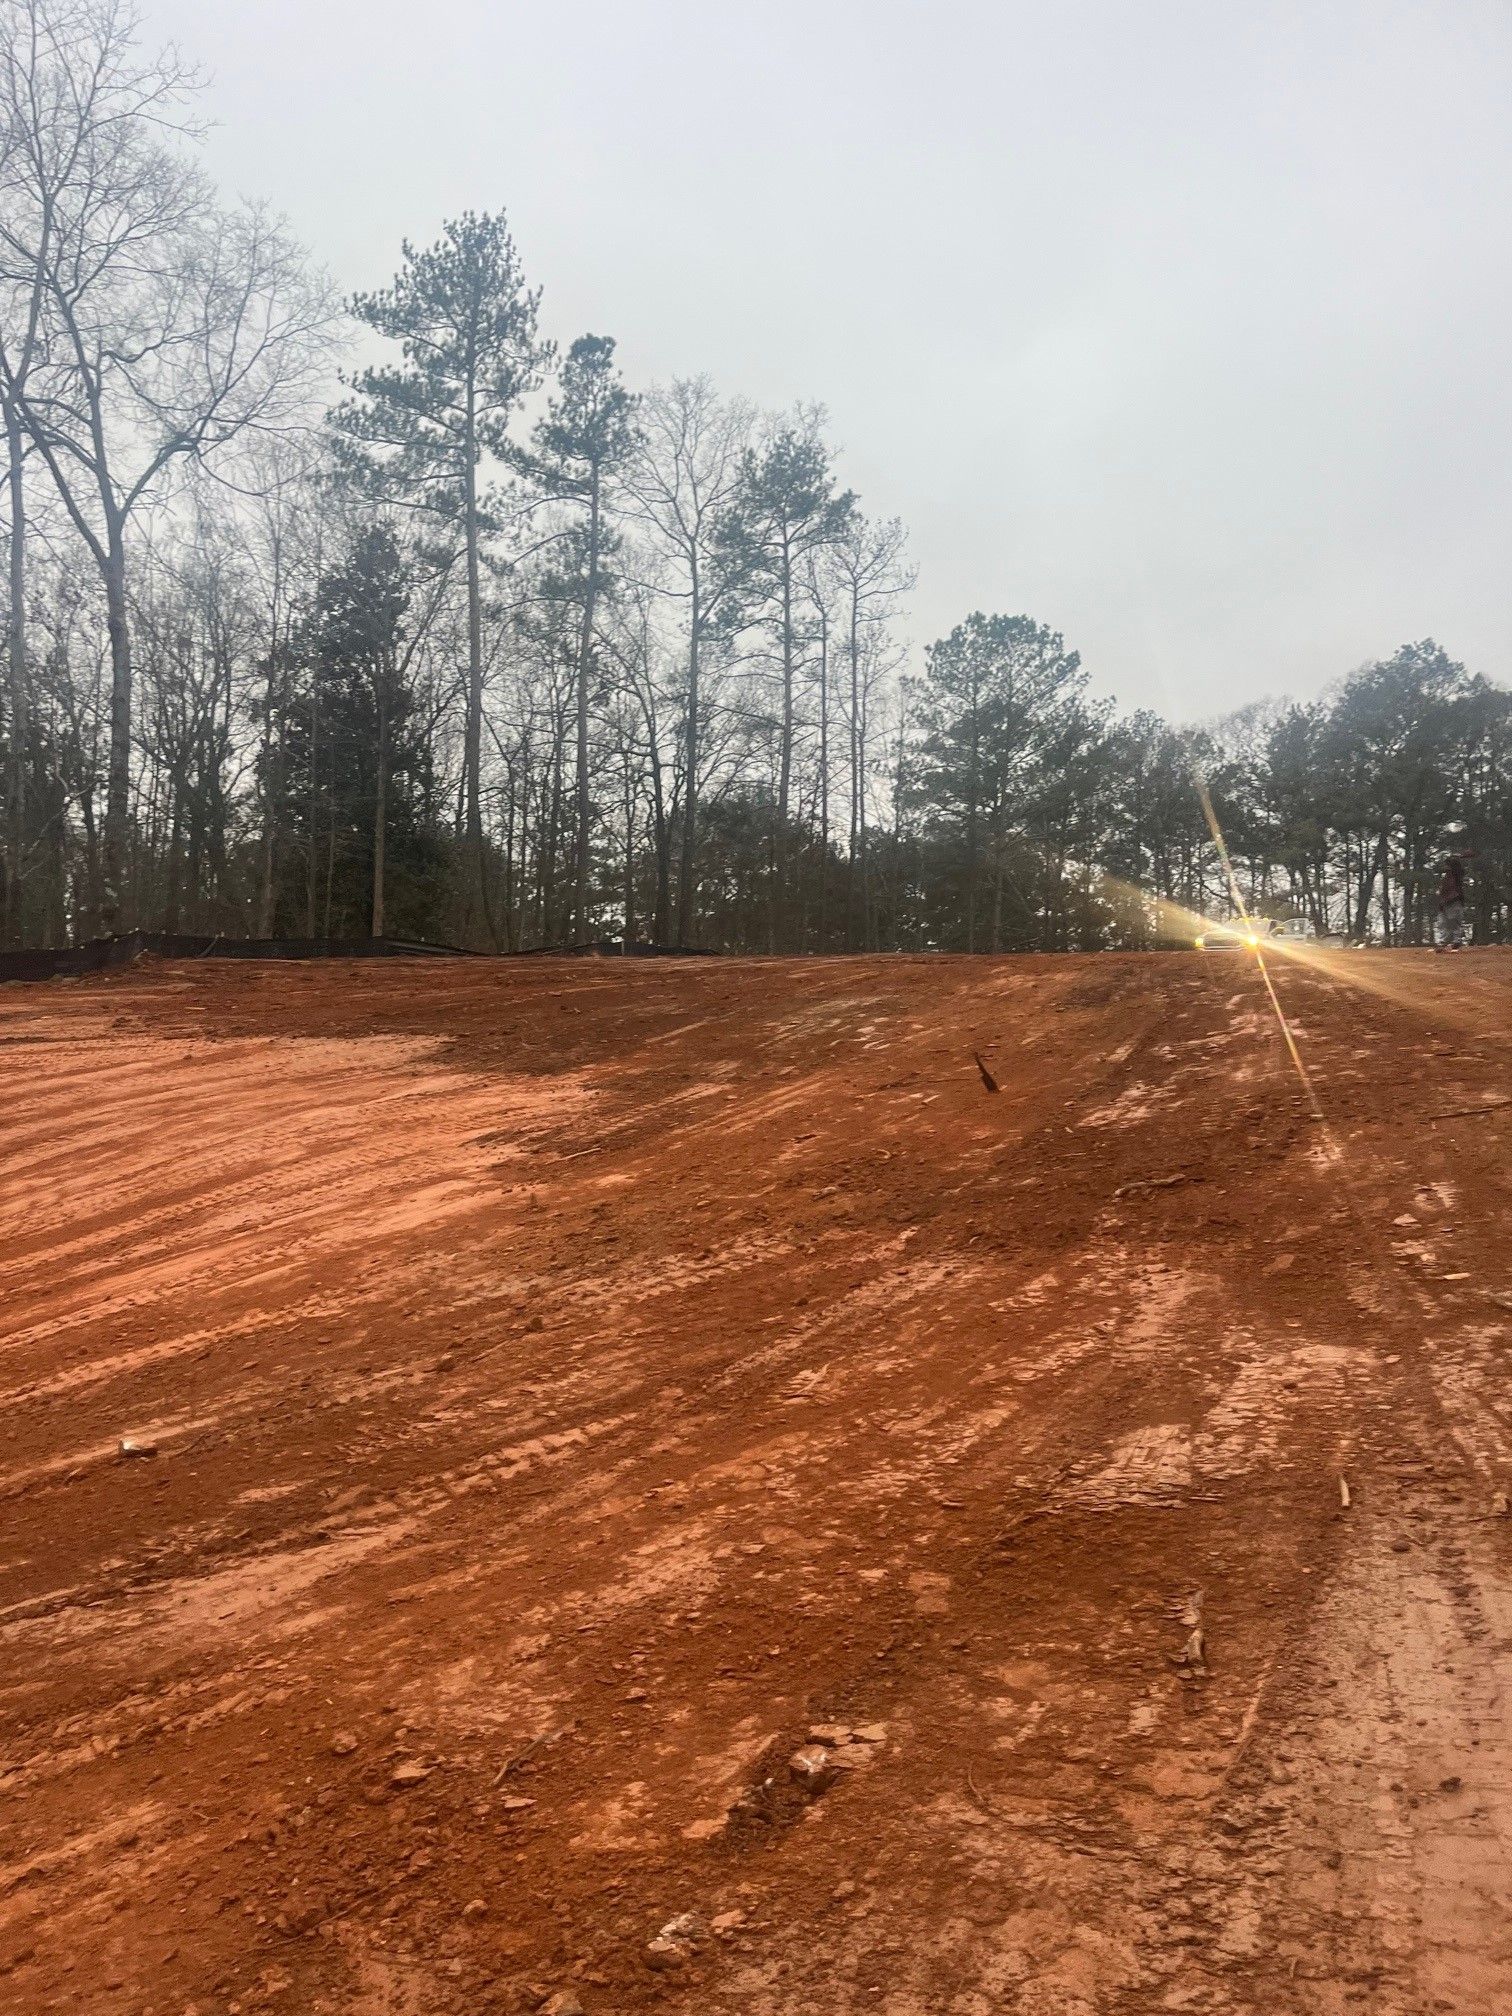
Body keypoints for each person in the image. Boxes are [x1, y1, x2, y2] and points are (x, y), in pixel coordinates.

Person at [1435, 853, 1467, 951]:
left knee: (1454, 922)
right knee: (1442, 922)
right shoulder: (1446, 875)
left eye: (1447, 864)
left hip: (1454, 900)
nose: (1445, 867)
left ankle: (1456, 941)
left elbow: (1458, 868)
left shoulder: (1456, 874)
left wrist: (1456, 858)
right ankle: (1443, 942)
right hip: (1445, 901)